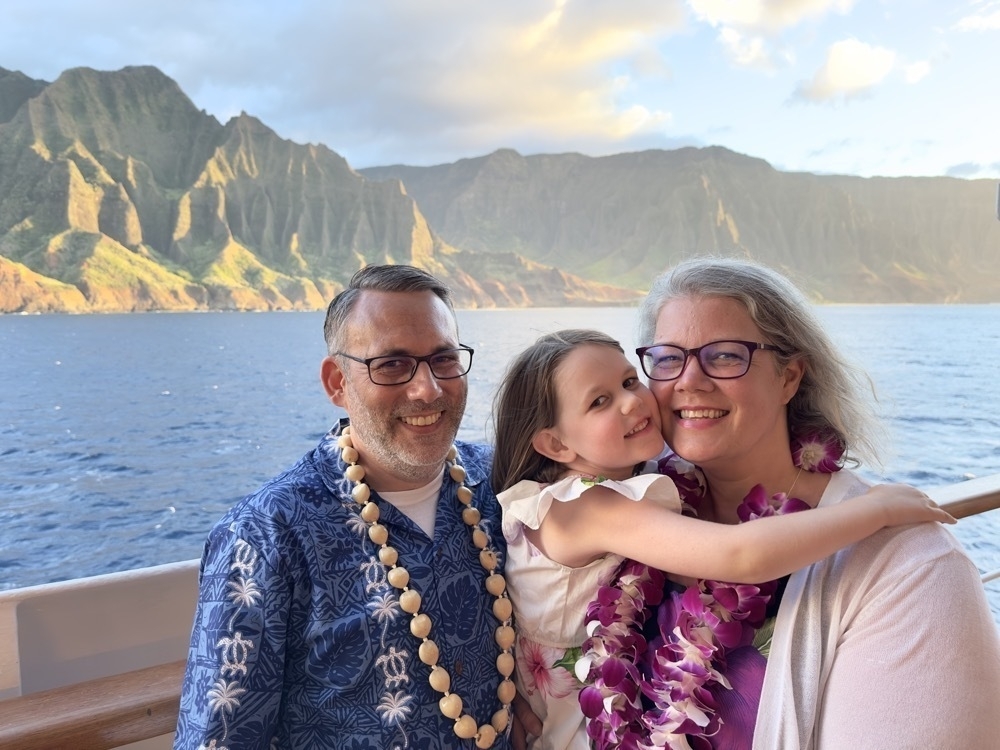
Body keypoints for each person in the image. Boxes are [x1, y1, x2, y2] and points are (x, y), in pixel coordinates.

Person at [581, 256, 1000, 749]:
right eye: (670, 357)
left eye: (724, 355)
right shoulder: (631, 511)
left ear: (790, 377)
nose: (689, 380)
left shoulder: (911, 568)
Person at [490, 328, 954, 750]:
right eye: (599, 402)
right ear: (556, 446)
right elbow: (740, 555)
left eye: (630, 382)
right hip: (573, 728)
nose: (631, 402)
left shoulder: (618, 487)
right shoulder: (582, 507)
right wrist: (875, 509)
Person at [175, 265, 535, 750]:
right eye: (391, 364)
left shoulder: (505, 481)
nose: (427, 389)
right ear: (337, 383)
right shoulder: (265, 536)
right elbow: (218, 739)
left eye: (444, 360)